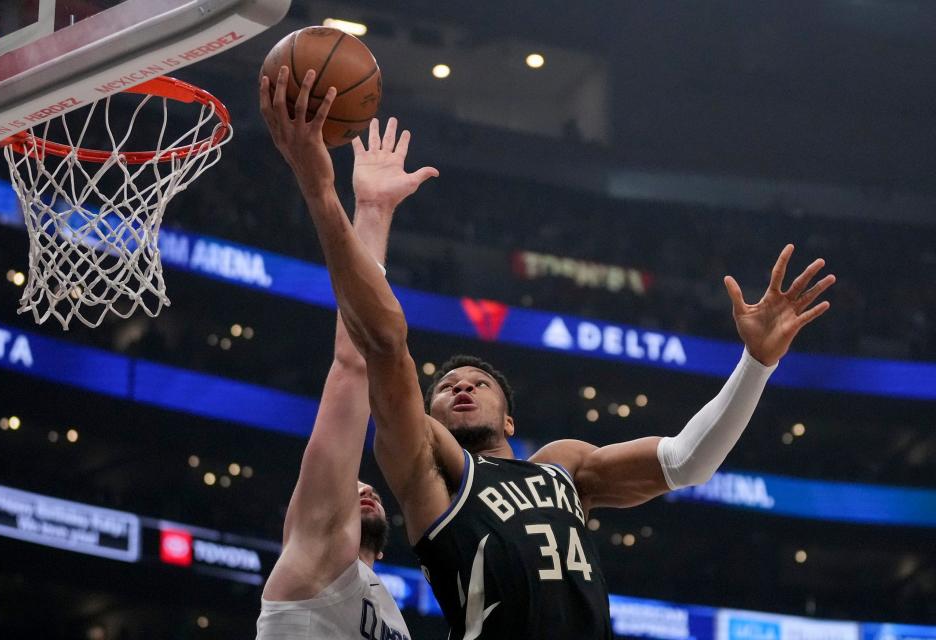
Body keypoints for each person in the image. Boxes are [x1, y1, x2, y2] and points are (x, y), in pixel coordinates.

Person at [260, 66, 835, 640]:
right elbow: (379, 346)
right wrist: (329, 193)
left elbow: (687, 461)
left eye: (478, 384)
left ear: (509, 417)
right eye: (446, 387)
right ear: (425, 415)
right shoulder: (428, 469)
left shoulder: (566, 468)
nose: (461, 386)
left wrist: (757, 364)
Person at [255, 79, 438, 639]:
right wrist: (373, 211)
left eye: (362, 485)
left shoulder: (388, 613)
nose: (362, 487)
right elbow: (356, 361)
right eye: (354, 486)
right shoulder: (320, 551)